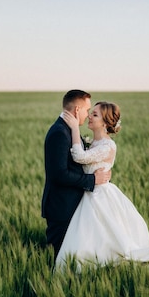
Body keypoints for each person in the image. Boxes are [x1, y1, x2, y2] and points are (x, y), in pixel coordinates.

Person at [55, 101, 149, 271]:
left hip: (101, 196)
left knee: (107, 237)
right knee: (90, 237)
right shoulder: (93, 143)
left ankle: (108, 266)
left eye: (95, 115)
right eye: (91, 113)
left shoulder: (108, 146)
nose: (89, 117)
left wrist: (74, 128)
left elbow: (79, 156)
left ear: (105, 123)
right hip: (89, 193)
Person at [41, 90, 111, 259]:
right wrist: (92, 179)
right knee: (57, 256)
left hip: (72, 204)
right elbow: (59, 174)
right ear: (77, 110)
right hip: (61, 206)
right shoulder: (60, 132)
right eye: (87, 110)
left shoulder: (67, 129)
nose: (88, 115)